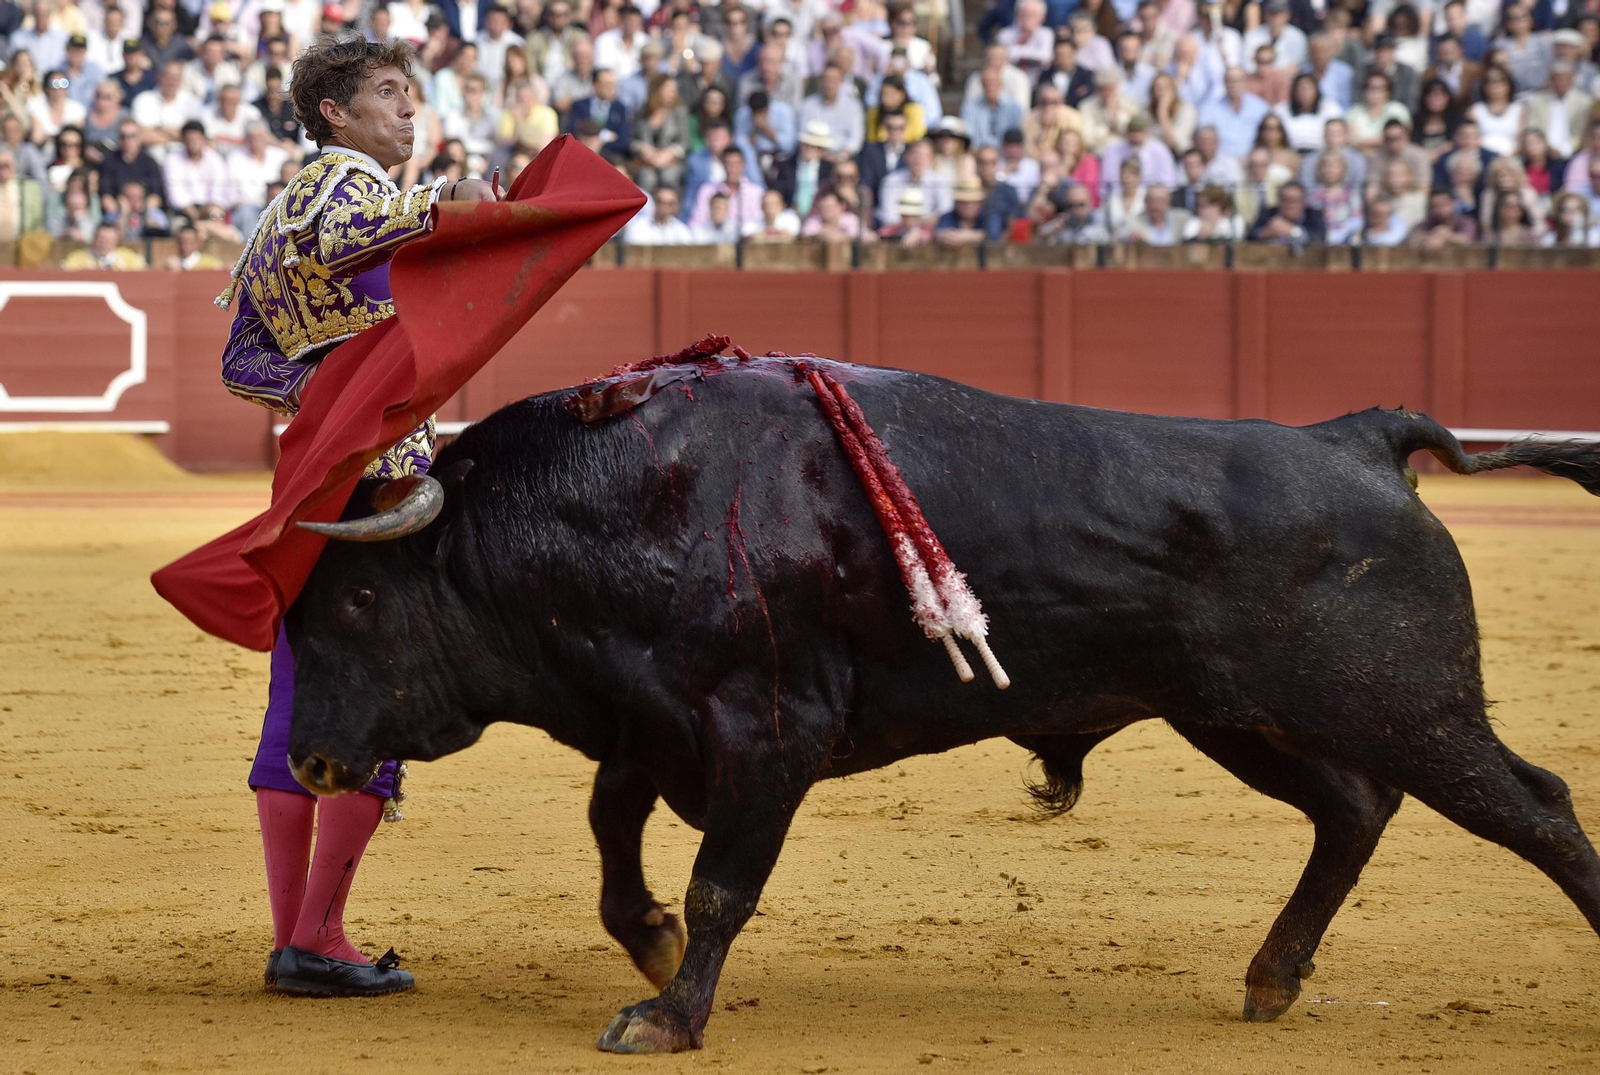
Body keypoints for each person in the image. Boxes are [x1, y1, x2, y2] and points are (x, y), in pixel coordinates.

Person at [213, 34, 498, 998]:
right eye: (387, 93)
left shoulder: (274, 215)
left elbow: (240, 359)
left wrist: (327, 393)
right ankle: (318, 935)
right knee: (378, 691)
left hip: (313, 483)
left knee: (302, 697)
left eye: (411, 95)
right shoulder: (352, 191)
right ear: (334, 114)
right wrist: (439, 210)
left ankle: (297, 935)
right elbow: (350, 240)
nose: (409, 111)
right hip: (385, 490)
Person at [1249, 179, 1326, 243]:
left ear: (1303, 203)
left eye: (1294, 201)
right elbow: (1249, 237)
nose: (1290, 205)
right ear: (1279, 201)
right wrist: (1266, 233)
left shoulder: (1314, 214)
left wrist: (1293, 231)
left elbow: (1320, 237)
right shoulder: (1268, 214)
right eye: (1285, 200)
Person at [624, 184, 694, 243]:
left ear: (675, 206)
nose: (664, 207)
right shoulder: (639, 226)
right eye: (660, 202)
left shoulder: (681, 230)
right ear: (653, 202)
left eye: (670, 204)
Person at [61, 218, 147, 266]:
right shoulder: (78, 258)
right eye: (101, 239)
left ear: (116, 242)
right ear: (94, 239)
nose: (104, 244)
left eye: (109, 240)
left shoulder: (129, 259)